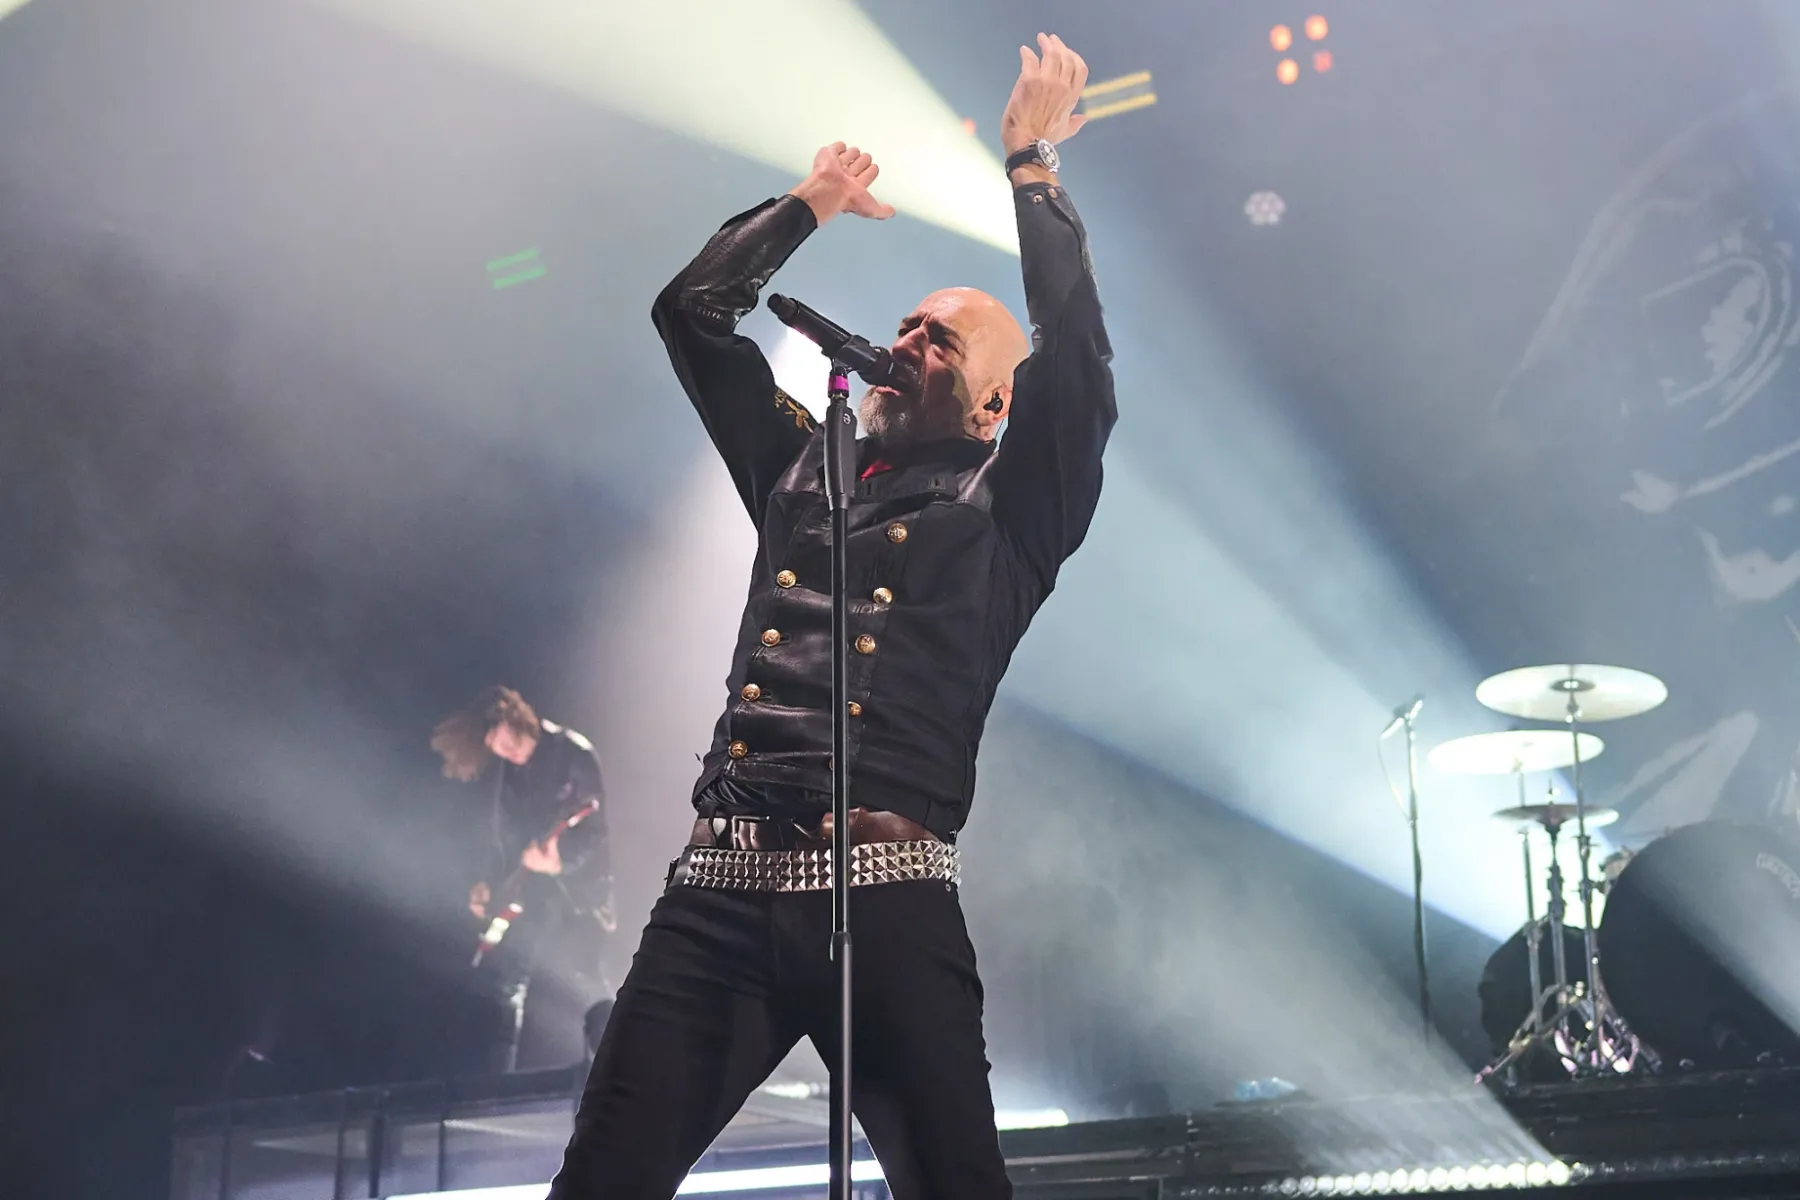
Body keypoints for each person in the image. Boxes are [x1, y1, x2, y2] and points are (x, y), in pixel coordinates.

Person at [548, 33, 1113, 1199]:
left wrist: (1031, 167)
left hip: (888, 897)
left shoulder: (1015, 509)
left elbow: (1081, 364)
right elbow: (692, 315)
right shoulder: (801, 464)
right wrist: (810, 201)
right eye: (907, 325)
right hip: (718, 895)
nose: (908, 343)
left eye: (941, 340)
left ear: (996, 405)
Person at [431, 685, 616, 1073]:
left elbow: (595, 833)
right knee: (507, 981)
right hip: (535, 893)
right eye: (493, 748)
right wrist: (488, 881)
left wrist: (560, 861)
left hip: (582, 893)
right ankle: (499, 1084)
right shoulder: (510, 775)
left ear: (513, 717)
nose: (503, 752)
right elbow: (504, 839)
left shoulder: (573, 753)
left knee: (584, 976)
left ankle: (620, 1068)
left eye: (502, 740)